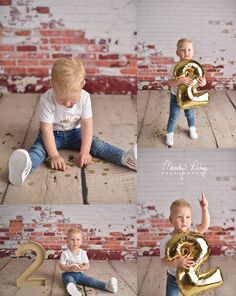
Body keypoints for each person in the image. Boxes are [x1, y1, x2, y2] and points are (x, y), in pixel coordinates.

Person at [8, 58, 137, 186]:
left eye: (72, 101)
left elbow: (87, 124)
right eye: (61, 100)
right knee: (39, 150)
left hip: (76, 133)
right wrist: (54, 155)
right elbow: (46, 129)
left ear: (82, 85)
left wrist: (85, 151)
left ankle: (125, 158)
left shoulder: (85, 97)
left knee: (97, 144)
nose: (68, 104)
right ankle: (24, 168)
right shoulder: (46, 100)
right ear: (52, 84)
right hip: (53, 134)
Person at [160, 193, 210, 296]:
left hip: (190, 277)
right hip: (174, 278)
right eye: (179, 217)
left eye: (188, 217)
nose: (184, 220)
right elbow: (163, 260)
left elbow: (205, 226)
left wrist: (204, 209)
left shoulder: (192, 232)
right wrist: (175, 263)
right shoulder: (167, 240)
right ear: (171, 220)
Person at [165, 38, 206, 146]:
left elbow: (201, 80)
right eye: (183, 50)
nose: (186, 52)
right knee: (173, 116)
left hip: (190, 96)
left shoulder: (196, 67)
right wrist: (179, 81)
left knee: (190, 114)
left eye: (189, 50)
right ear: (177, 52)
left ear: (193, 52)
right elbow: (169, 83)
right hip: (176, 97)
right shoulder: (174, 68)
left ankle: (192, 128)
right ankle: (169, 134)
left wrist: (203, 83)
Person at [60, 228, 118, 296]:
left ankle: (107, 286)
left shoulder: (83, 253)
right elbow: (61, 266)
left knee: (92, 280)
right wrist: (69, 268)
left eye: (78, 239)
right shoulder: (65, 253)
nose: (75, 242)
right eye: (72, 239)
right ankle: (74, 290)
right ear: (67, 240)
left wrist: (81, 268)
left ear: (81, 241)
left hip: (80, 274)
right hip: (68, 274)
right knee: (69, 280)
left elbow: (87, 266)